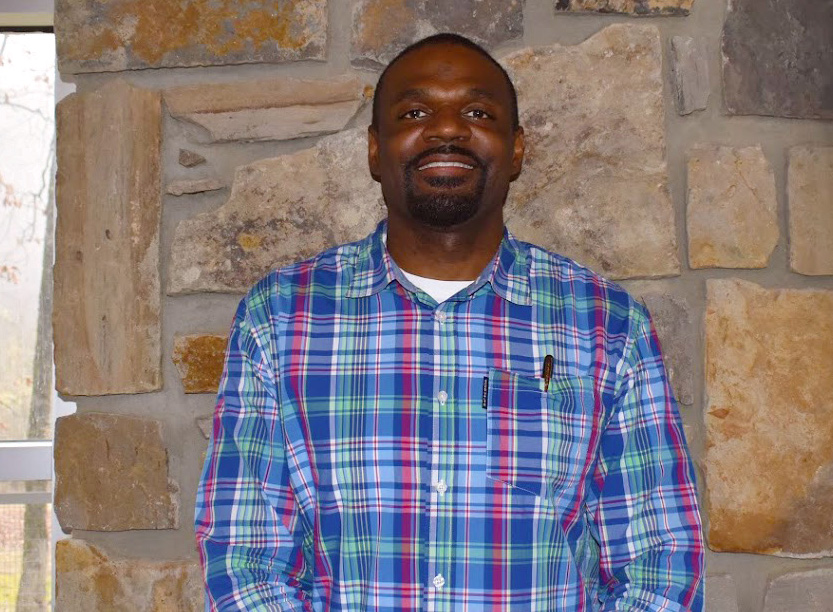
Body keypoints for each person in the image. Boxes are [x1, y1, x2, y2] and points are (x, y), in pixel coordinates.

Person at [195, 32, 704, 611]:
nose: (446, 129)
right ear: (373, 150)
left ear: (515, 150)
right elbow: (245, 558)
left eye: (477, 112)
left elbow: (659, 563)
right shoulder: (282, 319)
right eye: (415, 112)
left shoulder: (606, 326)